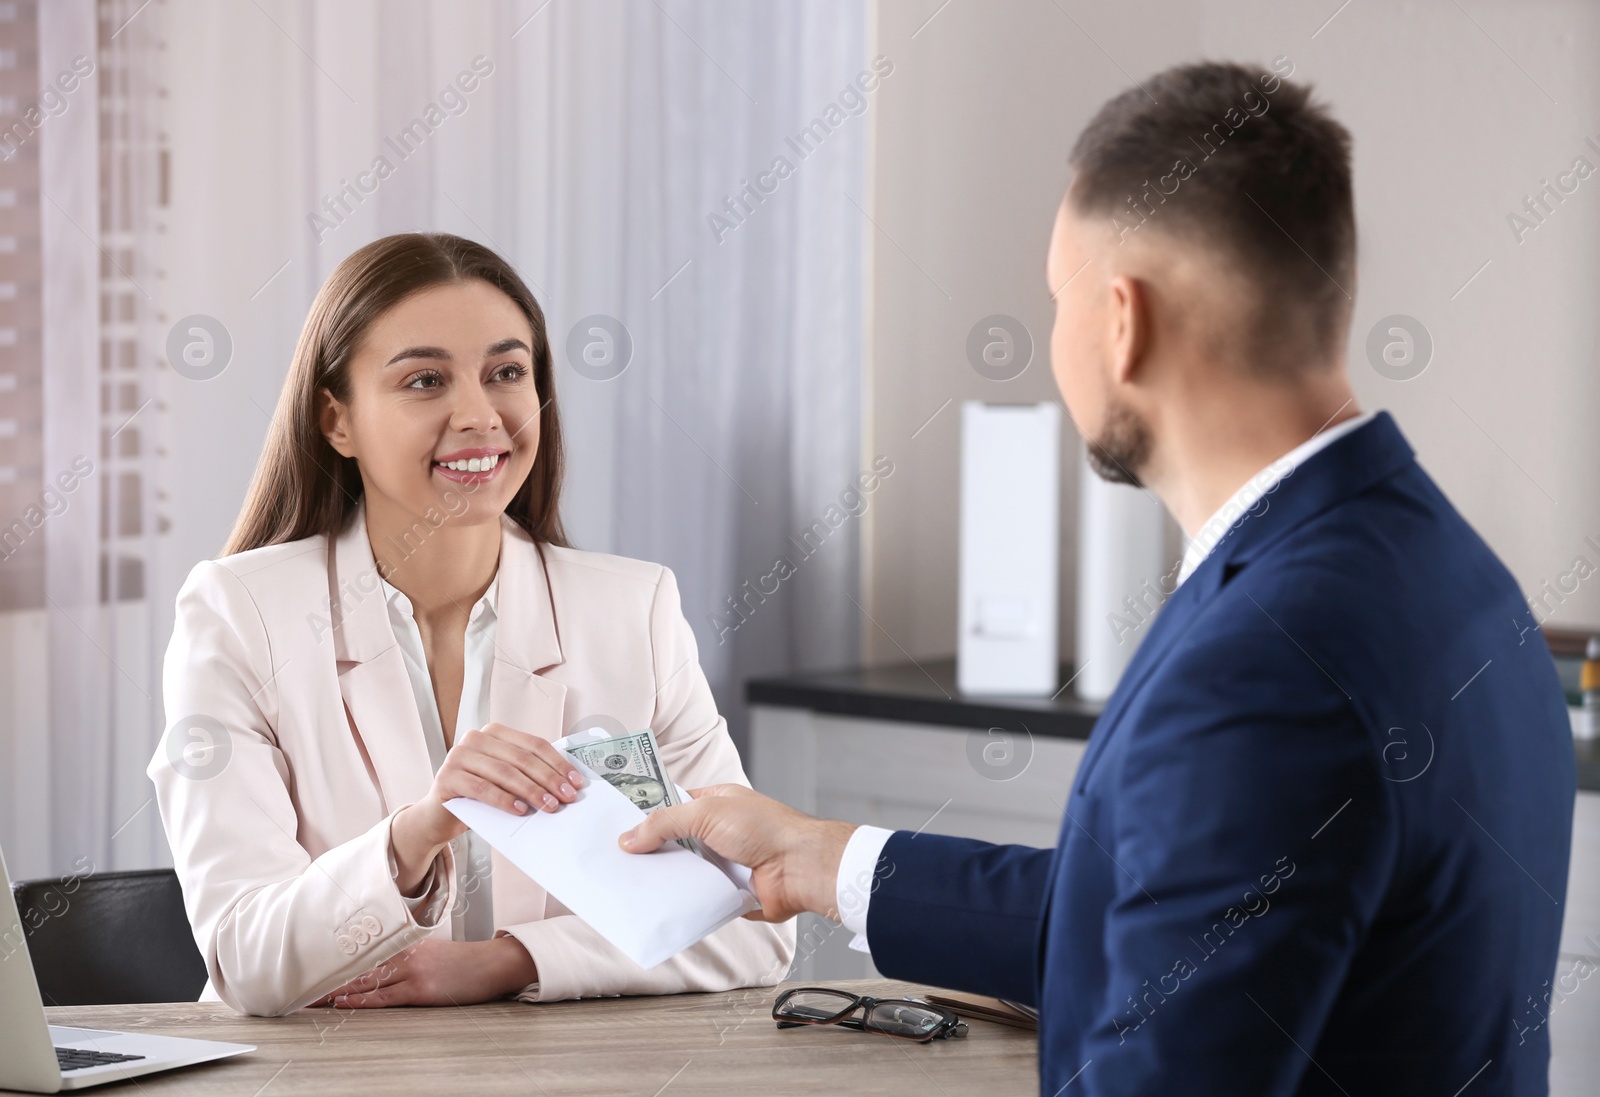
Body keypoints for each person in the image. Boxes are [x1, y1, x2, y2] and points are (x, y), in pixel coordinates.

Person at [620, 61, 1576, 1094]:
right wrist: (821, 859)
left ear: (1124, 321)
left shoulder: (1264, 658)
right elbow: (1176, 916)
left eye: (1054, 298)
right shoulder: (1447, 570)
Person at [149, 233, 795, 1017]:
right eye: (425, 379)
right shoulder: (240, 612)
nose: (480, 415)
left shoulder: (634, 610)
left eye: (506, 373)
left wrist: (506, 962)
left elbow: (754, 924)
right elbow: (248, 957)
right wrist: (414, 837)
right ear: (336, 420)